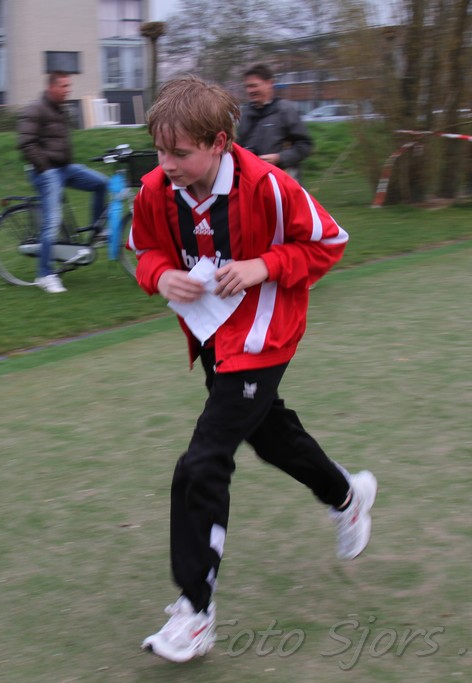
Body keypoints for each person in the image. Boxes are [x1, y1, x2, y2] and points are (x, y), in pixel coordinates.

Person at [129, 75, 376, 664]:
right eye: (160, 151)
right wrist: (160, 275)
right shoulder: (157, 188)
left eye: (179, 152)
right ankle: (346, 496)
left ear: (218, 142)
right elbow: (144, 248)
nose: (167, 165)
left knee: (202, 462)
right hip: (213, 337)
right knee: (269, 435)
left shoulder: (269, 185)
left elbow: (329, 242)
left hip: (266, 337)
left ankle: (195, 613)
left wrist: (263, 266)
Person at [17, 72, 109, 294]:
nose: (68, 90)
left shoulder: (60, 109)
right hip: (45, 171)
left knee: (102, 184)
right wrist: (46, 169)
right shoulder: (36, 109)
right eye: (64, 86)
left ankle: (97, 230)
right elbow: (26, 144)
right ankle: (45, 275)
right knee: (52, 221)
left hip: (64, 168)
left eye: (69, 86)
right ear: (52, 87)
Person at [237, 63, 313, 181]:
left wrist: (280, 158)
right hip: (254, 182)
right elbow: (238, 147)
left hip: (283, 183)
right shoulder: (245, 114)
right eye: (247, 87)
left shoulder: (286, 110)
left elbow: (305, 145)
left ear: (269, 83)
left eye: (254, 86)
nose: (249, 90)